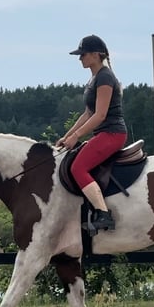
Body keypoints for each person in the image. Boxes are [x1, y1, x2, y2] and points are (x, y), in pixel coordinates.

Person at [56, 34, 127, 232]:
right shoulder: (95, 78)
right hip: (104, 133)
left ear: (96, 55)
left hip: (112, 133)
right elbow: (88, 113)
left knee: (78, 168)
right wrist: (67, 135)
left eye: (83, 54)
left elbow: (100, 114)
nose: (80, 58)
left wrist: (76, 137)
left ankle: (104, 215)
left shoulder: (104, 77)